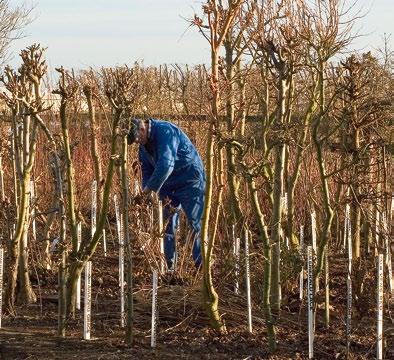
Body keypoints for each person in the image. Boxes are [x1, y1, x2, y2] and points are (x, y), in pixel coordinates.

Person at [127, 118, 205, 270]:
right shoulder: (143, 147)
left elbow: (166, 165)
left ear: (142, 128)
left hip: (190, 181)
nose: (138, 142)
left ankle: (201, 267)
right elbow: (147, 171)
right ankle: (170, 267)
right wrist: (145, 193)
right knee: (167, 225)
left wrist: (150, 190)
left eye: (137, 139)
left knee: (195, 224)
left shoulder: (165, 131)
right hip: (168, 185)